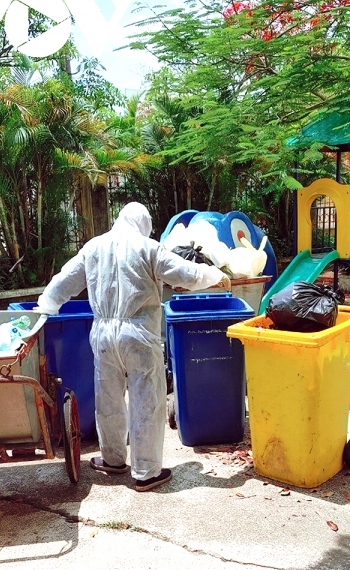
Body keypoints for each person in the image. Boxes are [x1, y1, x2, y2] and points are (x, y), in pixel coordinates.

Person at [36, 202, 231, 491]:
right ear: (144, 224)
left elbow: (63, 282)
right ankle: (146, 472)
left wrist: (45, 306)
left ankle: (112, 461)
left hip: (102, 333)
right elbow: (184, 273)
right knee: (146, 401)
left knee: (108, 399)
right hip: (139, 333)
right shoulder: (148, 247)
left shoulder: (94, 247)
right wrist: (215, 276)